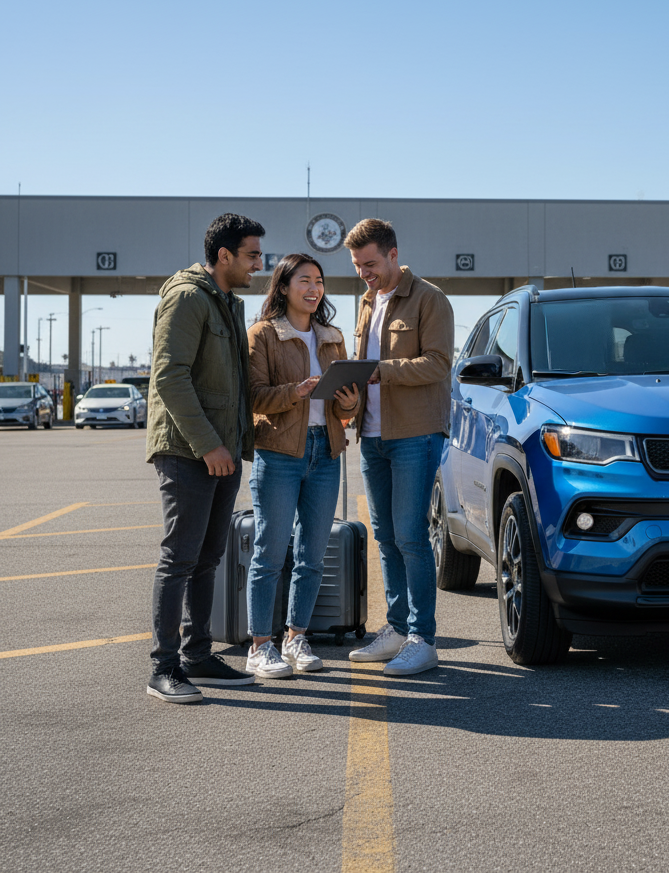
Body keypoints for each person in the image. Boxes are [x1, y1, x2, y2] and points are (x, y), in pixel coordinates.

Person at [146, 213, 265, 704]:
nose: (259, 264)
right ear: (225, 256)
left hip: (223, 450)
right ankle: (163, 667)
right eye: (252, 255)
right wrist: (208, 445)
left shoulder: (228, 304)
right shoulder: (188, 297)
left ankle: (197, 655)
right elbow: (169, 376)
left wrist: (233, 445)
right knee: (180, 558)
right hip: (190, 449)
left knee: (209, 558)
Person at [345, 218, 455, 676]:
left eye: (369, 263)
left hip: (414, 434)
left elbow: (437, 364)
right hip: (372, 435)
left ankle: (422, 638)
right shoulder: (367, 303)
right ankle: (394, 629)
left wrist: (379, 371)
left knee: (411, 537)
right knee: (387, 538)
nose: (364, 273)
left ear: (393, 253)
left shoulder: (430, 299)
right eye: (357, 266)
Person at [245, 254, 359, 678]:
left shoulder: (332, 337)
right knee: (270, 553)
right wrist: (297, 391)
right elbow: (254, 396)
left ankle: (296, 638)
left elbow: (349, 405)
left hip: (325, 451)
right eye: (304, 281)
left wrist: (349, 402)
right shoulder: (262, 335)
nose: (314, 289)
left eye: (319, 281)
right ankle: (260, 645)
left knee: (313, 554)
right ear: (284, 286)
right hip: (278, 452)